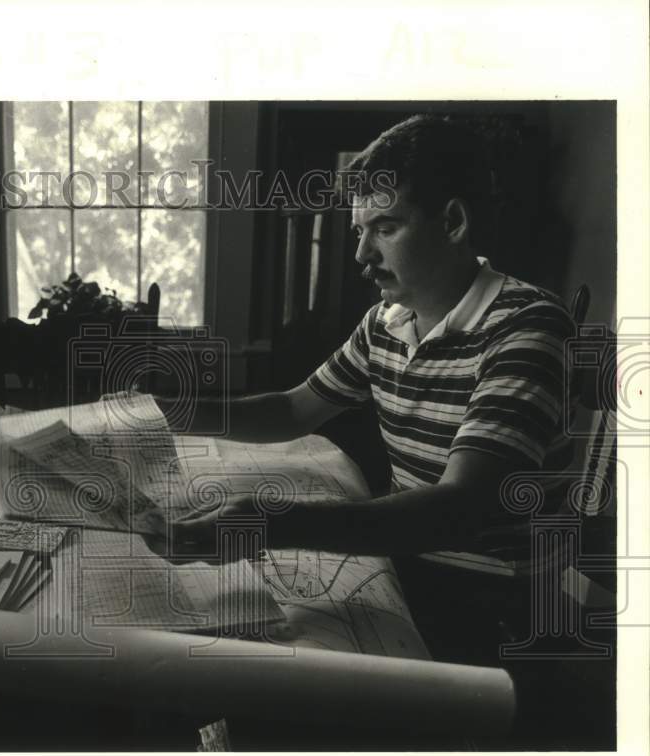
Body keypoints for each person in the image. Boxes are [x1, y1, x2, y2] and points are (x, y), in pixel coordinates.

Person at [161, 114, 576, 560]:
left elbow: (463, 506)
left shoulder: (527, 326)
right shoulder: (384, 322)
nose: (362, 253)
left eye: (385, 227)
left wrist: (267, 523)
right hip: (407, 562)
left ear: (453, 222)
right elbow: (292, 410)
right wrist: (165, 413)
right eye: (360, 231)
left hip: (492, 597)